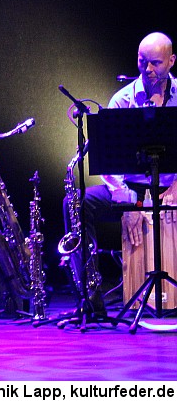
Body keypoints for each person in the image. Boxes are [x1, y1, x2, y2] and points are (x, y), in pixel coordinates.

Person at [73, 32, 177, 308]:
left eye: (155, 63)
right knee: (79, 203)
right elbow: (109, 157)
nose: (148, 70)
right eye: (143, 62)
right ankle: (91, 298)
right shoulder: (122, 100)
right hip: (133, 190)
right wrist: (126, 200)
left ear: (171, 61)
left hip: (172, 187)